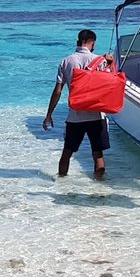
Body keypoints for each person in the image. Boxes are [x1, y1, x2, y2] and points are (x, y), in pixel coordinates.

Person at [43, 29, 114, 178]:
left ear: (78, 42)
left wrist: (49, 115)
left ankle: (61, 184)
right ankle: (100, 186)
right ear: (93, 43)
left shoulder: (66, 61)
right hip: (96, 115)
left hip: (75, 116)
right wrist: (110, 64)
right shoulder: (100, 61)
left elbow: (57, 91)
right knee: (98, 154)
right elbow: (110, 85)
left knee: (67, 153)